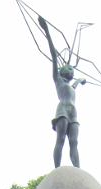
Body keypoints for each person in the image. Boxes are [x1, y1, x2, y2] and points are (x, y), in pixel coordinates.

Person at [38, 16, 86, 168]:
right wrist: (46, 31)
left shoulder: (71, 86)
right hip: (63, 109)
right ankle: (57, 170)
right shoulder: (57, 79)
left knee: (74, 142)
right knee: (60, 140)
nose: (71, 70)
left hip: (73, 112)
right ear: (61, 70)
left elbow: (76, 85)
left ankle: (78, 171)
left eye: (73, 69)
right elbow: (53, 55)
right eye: (69, 68)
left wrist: (80, 80)